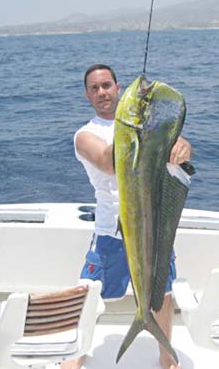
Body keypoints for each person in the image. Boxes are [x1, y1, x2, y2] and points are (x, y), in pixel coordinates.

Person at [63, 64, 191, 369]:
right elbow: (109, 162)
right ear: (87, 95)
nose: (101, 92)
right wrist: (133, 130)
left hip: (153, 227)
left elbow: (179, 151)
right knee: (88, 297)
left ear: (118, 89)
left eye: (106, 85)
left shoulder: (144, 130)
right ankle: (71, 361)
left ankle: (166, 360)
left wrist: (183, 146)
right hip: (111, 231)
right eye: (94, 88)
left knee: (164, 295)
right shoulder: (85, 134)